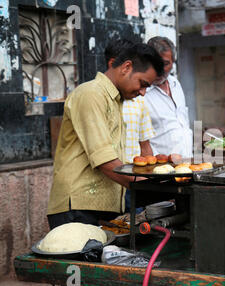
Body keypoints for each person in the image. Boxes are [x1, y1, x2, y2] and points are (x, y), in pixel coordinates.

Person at [47, 42, 164, 229]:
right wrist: (156, 188)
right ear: (126, 67)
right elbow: (106, 161)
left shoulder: (115, 100)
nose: (142, 93)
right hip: (78, 208)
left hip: (101, 207)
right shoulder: (91, 94)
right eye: (143, 84)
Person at [104, 39, 155, 214]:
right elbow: (100, 156)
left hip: (135, 182)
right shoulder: (95, 98)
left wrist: (150, 180)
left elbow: (145, 145)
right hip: (109, 184)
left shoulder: (139, 102)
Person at [144, 36, 193, 158]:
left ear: (173, 62)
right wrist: (159, 158)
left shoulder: (175, 84)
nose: (160, 70)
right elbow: (137, 140)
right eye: (155, 64)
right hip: (160, 169)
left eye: (165, 64)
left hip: (187, 164)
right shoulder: (140, 93)